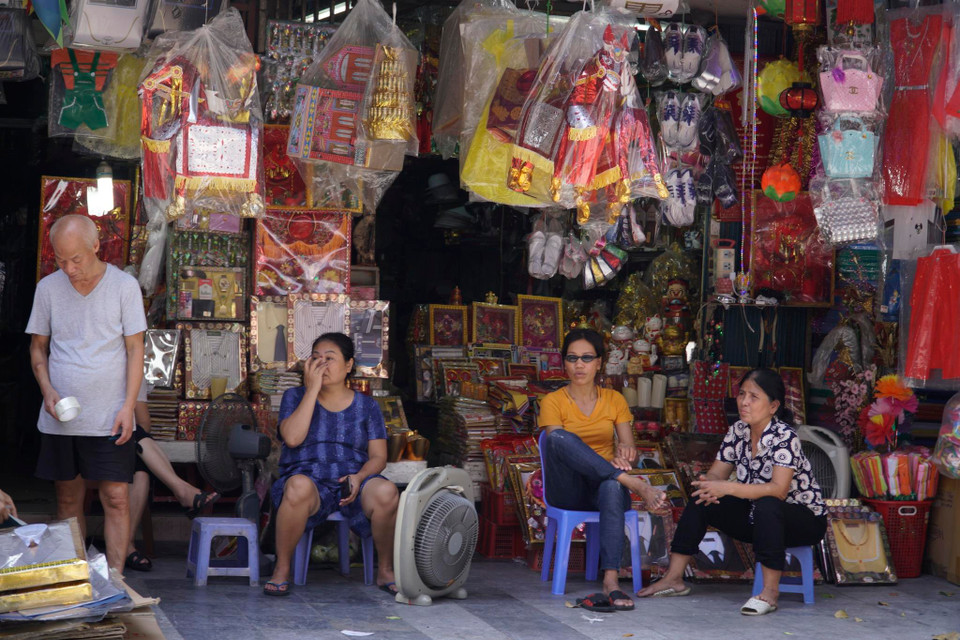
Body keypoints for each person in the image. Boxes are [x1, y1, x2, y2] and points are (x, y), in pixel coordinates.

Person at [637, 368, 827, 616]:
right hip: (757, 517)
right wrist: (709, 484)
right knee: (702, 500)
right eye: (742, 394)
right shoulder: (738, 430)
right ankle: (674, 579)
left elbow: (779, 491)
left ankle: (770, 592)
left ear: (773, 406)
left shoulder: (784, 437)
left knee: (768, 504)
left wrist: (726, 487)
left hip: (802, 520)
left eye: (754, 397)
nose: (744, 402)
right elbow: (718, 473)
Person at [27, 215, 146, 574]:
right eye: (60, 260)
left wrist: (128, 407)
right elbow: (38, 348)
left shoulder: (124, 287)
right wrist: (47, 389)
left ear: (96, 246)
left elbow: (135, 350)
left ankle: (116, 579)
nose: (68, 269)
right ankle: (78, 580)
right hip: (61, 415)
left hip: (110, 414)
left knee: (116, 497)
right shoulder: (48, 288)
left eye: (75, 259)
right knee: (67, 498)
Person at [538, 328, 668, 613]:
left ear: (599, 362)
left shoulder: (614, 400)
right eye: (572, 358)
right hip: (568, 489)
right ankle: (634, 485)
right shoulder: (553, 401)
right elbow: (558, 447)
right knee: (558, 438)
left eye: (587, 358)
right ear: (564, 362)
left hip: (604, 490)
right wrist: (627, 476)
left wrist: (626, 453)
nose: (579, 364)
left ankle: (610, 580)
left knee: (610, 485)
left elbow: (629, 447)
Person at [264, 332, 399, 596]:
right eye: (316, 358)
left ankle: (385, 570)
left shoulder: (367, 406)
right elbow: (292, 438)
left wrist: (359, 477)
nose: (321, 365)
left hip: (353, 480)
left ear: (348, 365)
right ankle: (282, 569)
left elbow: (379, 457)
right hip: (309, 480)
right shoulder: (294, 396)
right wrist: (312, 390)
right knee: (297, 487)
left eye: (329, 358)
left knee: (387, 492)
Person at [124, 377, 219, 572]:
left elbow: (144, 424)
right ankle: (182, 490)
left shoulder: (133, 374)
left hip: (124, 443)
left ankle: (127, 544)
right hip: (95, 440)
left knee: (141, 469)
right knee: (138, 440)